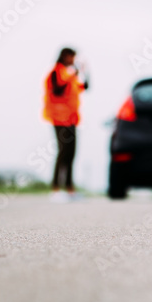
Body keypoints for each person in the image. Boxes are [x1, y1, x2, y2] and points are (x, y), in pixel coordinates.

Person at [43, 47, 89, 201]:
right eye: (71, 57)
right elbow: (57, 89)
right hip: (59, 118)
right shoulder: (57, 72)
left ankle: (70, 188)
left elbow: (84, 87)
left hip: (71, 119)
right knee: (63, 152)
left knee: (71, 153)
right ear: (65, 56)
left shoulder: (70, 74)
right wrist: (73, 73)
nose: (72, 60)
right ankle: (56, 188)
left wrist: (84, 71)